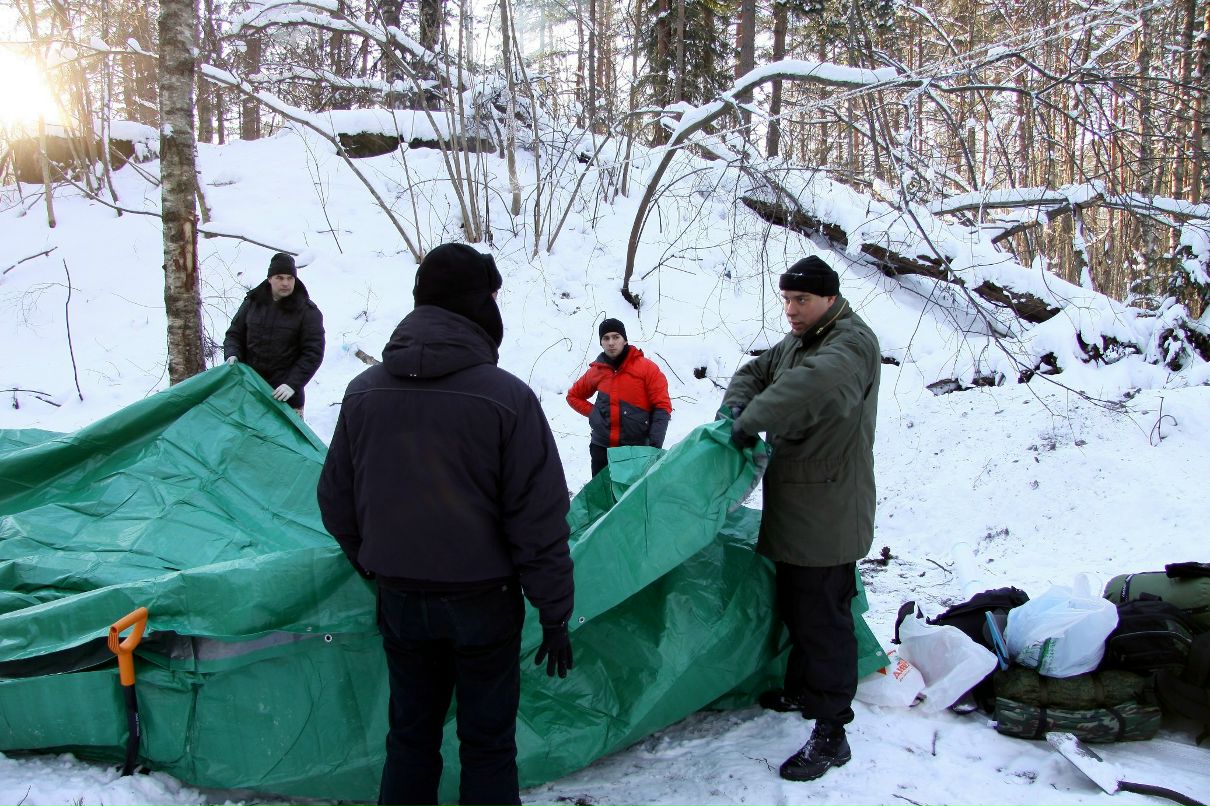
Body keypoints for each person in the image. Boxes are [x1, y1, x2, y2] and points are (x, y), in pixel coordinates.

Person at [315, 242, 575, 806]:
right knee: (486, 744)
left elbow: (336, 503)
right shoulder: (508, 399)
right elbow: (539, 520)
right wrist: (554, 612)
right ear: (479, 305)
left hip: (402, 599)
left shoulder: (364, 393)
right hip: (485, 601)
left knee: (410, 738)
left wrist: (378, 559)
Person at [721, 255, 880, 783]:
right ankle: (802, 689)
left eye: (802, 300)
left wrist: (751, 422)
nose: (791, 310)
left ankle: (833, 729)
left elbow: (810, 387)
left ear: (829, 299)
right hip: (797, 504)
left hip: (829, 508)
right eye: (786, 299)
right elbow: (756, 370)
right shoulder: (800, 339)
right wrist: (734, 409)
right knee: (795, 603)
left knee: (823, 619)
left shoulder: (848, 345)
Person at [566, 318, 673, 477]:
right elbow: (573, 396)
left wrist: (653, 448)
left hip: (635, 451)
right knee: (602, 499)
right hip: (602, 448)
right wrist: (594, 413)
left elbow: (662, 407)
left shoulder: (647, 368)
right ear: (601, 342)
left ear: (625, 340)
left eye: (616, 337)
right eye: (606, 338)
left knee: (630, 500)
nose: (611, 342)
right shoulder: (597, 370)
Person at [222, 252, 325, 414]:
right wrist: (232, 354)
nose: (285, 283)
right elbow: (234, 335)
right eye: (279, 277)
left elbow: (313, 353)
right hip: (250, 390)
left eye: (290, 278)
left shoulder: (307, 311)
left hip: (286, 397)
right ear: (270, 279)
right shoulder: (252, 303)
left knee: (284, 440)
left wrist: (292, 384)